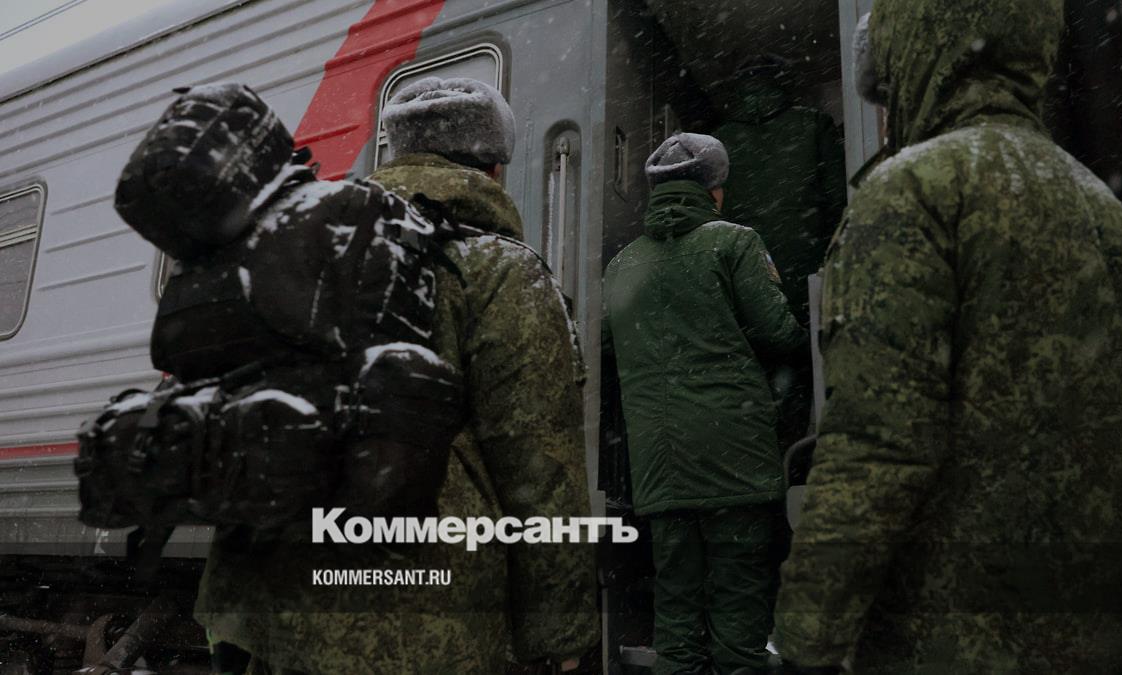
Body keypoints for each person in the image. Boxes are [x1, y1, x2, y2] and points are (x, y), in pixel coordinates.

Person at [774, 2, 1122, 673]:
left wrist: (805, 640)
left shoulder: (912, 192)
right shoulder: (1106, 211)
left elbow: (876, 446)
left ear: (915, 58)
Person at [196, 77, 598, 673]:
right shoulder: (500, 270)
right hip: (422, 620)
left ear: (394, 157)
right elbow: (539, 467)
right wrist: (559, 632)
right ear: (493, 170)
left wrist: (231, 612)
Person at [603, 132, 804, 675]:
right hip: (733, 453)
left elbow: (608, 349)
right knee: (738, 597)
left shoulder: (623, 264)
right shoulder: (734, 242)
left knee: (676, 603)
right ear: (714, 190)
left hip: (659, 461)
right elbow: (780, 332)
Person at [713, 55, 847, 450]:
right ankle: (795, 457)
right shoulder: (813, 126)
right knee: (803, 379)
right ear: (782, 83)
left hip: (745, 286)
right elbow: (839, 204)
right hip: (806, 280)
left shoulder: (721, 143)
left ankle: (762, 456)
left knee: (751, 388)